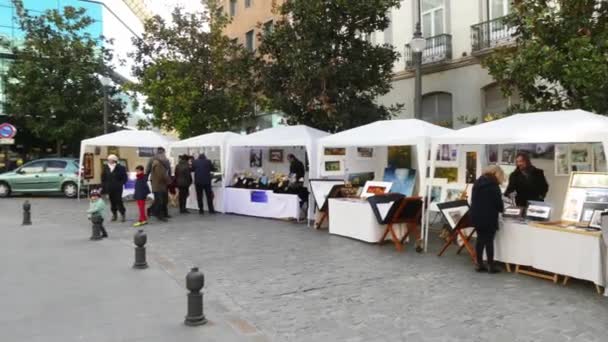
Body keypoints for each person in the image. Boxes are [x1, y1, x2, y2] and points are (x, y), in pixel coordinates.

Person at [471, 165, 505, 273]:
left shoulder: (477, 183)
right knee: (489, 240)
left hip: (476, 215)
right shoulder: (494, 186)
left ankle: (479, 264)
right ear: (496, 173)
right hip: (489, 217)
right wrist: (502, 208)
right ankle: (490, 265)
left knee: (480, 240)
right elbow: (499, 205)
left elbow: (474, 199)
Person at [101, 154, 128, 222]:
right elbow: (103, 178)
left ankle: (122, 214)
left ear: (114, 160)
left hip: (118, 188)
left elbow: (125, 178)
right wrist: (104, 186)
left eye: (110, 159)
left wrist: (120, 184)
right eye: (108, 159)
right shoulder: (106, 167)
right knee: (112, 201)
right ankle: (114, 214)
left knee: (118, 201)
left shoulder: (121, 167)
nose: (108, 161)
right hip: (109, 187)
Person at [146, 147, 172, 219]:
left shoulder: (166, 160)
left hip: (164, 182)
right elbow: (148, 170)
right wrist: (146, 178)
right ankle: (157, 213)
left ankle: (164, 213)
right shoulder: (153, 160)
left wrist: (169, 179)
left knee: (164, 199)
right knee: (159, 199)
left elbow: (169, 170)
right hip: (156, 181)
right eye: (161, 152)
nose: (163, 154)